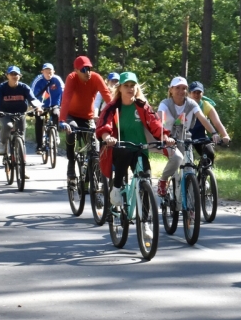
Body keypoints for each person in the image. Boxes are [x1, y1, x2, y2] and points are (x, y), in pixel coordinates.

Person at [96, 72, 174, 207]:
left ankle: (144, 223)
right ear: (120, 88)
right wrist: (107, 137)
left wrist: (165, 137)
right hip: (119, 148)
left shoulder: (142, 106)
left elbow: (155, 123)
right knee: (124, 153)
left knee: (146, 181)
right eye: (126, 85)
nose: (130, 88)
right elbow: (104, 125)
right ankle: (116, 188)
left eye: (132, 85)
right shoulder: (112, 107)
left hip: (140, 149)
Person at [155, 76, 218, 197]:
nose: (181, 91)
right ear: (171, 90)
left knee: (190, 168)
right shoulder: (165, 104)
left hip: (185, 137)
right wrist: (164, 136)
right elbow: (159, 120)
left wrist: (214, 133)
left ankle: (190, 203)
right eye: (177, 88)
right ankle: (163, 180)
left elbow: (203, 119)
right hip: (168, 138)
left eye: (184, 88)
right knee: (177, 159)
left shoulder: (191, 103)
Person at [59, 56, 112, 183]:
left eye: (88, 68)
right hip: (71, 115)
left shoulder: (95, 77)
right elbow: (66, 100)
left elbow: (108, 97)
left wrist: (117, 115)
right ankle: (71, 164)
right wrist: (62, 120)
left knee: (94, 146)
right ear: (76, 70)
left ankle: (91, 176)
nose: (87, 72)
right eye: (83, 70)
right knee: (71, 131)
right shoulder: (71, 78)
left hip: (87, 117)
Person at [0, 66, 43, 179]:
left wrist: (37, 107)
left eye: (16, 74)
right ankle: (3, 144)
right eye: (12, 74)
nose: (14, 76)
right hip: (4, 114)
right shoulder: (1, 88)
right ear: (7, 75)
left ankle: (22, 169)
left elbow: (32, 98)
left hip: (20, 114)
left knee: (21, 140)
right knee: (8, 126)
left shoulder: (24, 87)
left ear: (19, 76)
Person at [187, 81, 230, 166]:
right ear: (189, 93)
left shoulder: (206, 105)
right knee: (185, 160)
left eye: (199, 92)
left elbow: (217, 122)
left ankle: (202, 176)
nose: (196, 95)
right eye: (194, 92)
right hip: (185, 135)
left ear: (202, 93)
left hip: (200, 136)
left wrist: (225, 135)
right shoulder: (184, 103)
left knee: (209, 154)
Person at [30, 62, 65, 153]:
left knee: (56, 114)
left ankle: (55, 133)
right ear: (42, 72)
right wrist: (36, 106)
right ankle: (39, 145)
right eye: (46, 72)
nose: (49, 74)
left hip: (55, 104)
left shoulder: (57, 79)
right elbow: (32, 95)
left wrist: (63, 105)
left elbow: (64, 92)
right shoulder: (38, 80)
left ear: (54, 72)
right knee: (39, 120)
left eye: (50, 72)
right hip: (41, 105)